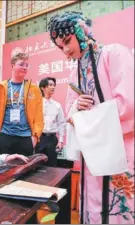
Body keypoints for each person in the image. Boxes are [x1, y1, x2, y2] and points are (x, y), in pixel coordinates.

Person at [48, 11, 134, 224]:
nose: (66, 49)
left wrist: (90, 117)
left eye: (67, 41)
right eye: (60, 46)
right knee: (92, 208)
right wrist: (77, 107)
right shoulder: (74, 72)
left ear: (82, 31)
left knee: (118, 206)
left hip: (121, 148)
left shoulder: (114, 54)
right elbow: (70, 114)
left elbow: (129, 104)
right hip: (92, 157)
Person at [0, 52, 44, 157]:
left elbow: (39, 117)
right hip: (4, 136)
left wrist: (35, 138)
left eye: (27, 65)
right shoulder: (0, 87)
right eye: (21, 64)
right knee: (3, 172)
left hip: (26, 138)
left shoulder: (34, 89)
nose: (25, 67)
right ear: (12, 65)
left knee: (24, 172)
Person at [36, 77, 65, 167]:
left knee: (52, 166)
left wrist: (60, 141)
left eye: (54, 85)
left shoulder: (57, 105)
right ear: (43, 88)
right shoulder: (36, 103)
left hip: (52, 139)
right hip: (39, 139)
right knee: (36, 167)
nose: (53, 87)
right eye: (50, 85)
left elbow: (61, 123)